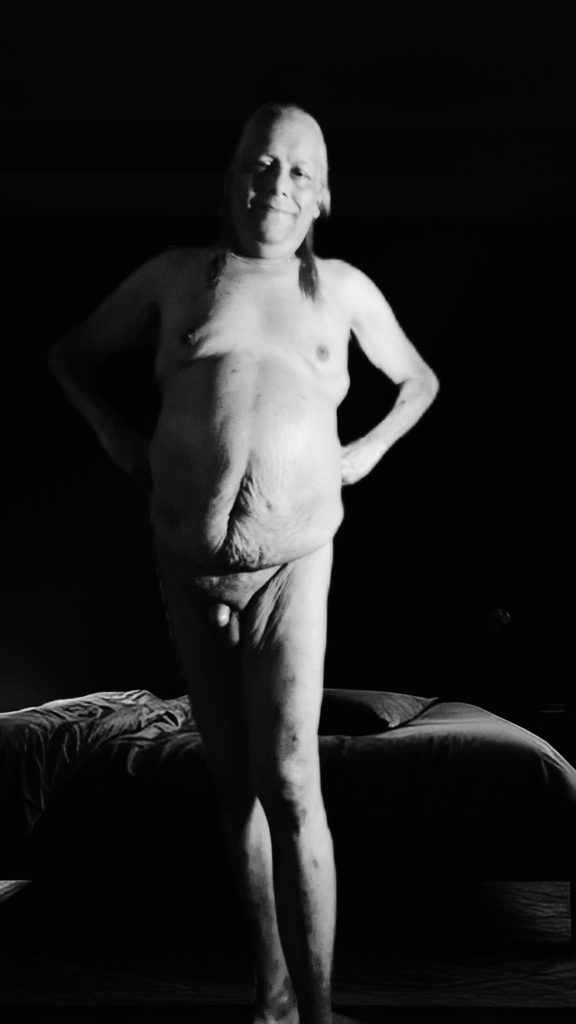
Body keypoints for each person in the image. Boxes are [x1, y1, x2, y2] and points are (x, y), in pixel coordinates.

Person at [49, 102, 439, 1024]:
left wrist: (363, 454)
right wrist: (117, 436)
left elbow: (419, 380)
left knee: (292, 779)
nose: (278, 184)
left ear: (324, 196)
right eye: (261, 165)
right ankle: (271, 997)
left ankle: (320, 1010)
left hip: (293, 564)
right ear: (232, 179)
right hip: (186, 564)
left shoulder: (342, 289)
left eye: (299, 170)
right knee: (235, 789)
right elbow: (71, 354)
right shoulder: (177, 276)